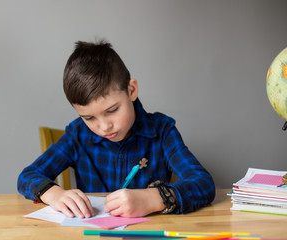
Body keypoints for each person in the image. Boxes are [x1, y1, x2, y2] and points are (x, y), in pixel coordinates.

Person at [17, 40, 215, 218]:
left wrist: (153, 199)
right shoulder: (77, 135)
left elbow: (203, 183)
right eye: (89, 118)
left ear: (131, 90)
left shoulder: (162, 131)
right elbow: (27, 176)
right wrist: (54, 194)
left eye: (112, 110)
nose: (104, 127)